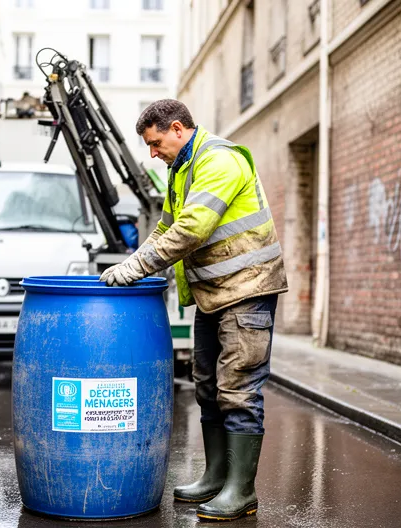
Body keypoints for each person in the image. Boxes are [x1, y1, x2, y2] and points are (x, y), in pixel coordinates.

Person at [100, 99, 288, 521]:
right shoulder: (180, 170)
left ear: (178, 128)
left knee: (237, 389)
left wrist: (134, 270)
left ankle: (242, 491)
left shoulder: (219, 160)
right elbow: (167, 226)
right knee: (206, 386)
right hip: (213, 293)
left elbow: (191, 230)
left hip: (247, 289)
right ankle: (217, 475)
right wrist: (133, 261)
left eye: (155, 143)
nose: (152, 153)